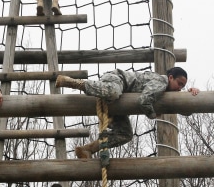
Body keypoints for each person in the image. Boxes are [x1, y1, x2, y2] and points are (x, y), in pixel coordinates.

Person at [55, 67, 200, 159]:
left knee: (126, 134)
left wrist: (191, 95)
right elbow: (144, 100)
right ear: (170, 78)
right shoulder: (161, 83)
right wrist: (153, 115)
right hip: (118, 81)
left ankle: (88, 149)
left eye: (183, 86)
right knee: (112, 92)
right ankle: (73, 82)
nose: (179, 88)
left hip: (119, 103)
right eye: (179, 84)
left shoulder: (167, 92)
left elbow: (184, 111)